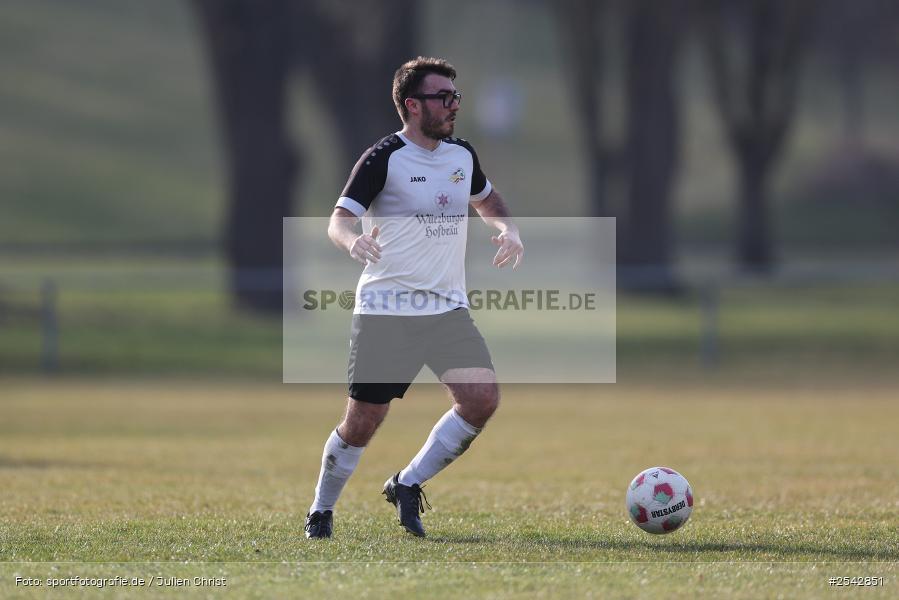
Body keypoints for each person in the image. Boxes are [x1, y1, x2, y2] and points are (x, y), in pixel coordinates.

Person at [305, 57, 524, 539]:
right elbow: (338, 219)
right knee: (364, 420)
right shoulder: (384, 156)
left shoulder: (461, 155)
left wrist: (507, 230)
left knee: (481, 399)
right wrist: (352, 242)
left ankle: (407, 483)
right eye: (443, 98)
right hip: (386, 309)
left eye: (456, 97)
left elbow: (488, 199)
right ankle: (321, 509)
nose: (453, 106)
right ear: (412, 105)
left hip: (446, 309)